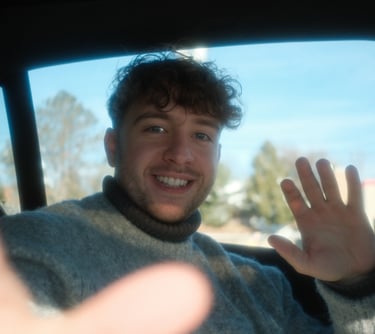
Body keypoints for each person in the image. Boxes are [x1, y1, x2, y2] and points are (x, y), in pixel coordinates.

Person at [1, 51, 375, 333]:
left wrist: (355, 286)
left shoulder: (260, 286)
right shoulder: (33, 245)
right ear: (114, 147)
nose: (180, 154)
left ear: (217, 156)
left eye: (201, 135)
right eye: (155, 129)